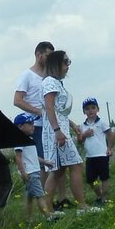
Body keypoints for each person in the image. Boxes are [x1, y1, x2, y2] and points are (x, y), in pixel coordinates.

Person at [40, 51, 89, 214]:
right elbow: (49, 108)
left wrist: (72, 125)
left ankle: (48, 211)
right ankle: (82, 206)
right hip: (57, 132)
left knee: (58, 170)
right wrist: (57, 131)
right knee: (76, 165)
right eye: (66, 62)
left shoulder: (56, 83)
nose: (68, 66)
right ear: (56, 64)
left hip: (59, 129)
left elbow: (59, 111)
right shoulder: (50, 82)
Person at [13, 113, 51, 220]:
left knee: (30, 197)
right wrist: (23, 172)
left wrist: (45, 162)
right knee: (40, 195)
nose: (33, 126)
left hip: (34, 171)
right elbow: (18, 157)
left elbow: (34, 157)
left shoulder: (29, 139)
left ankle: (29, 218)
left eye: (33, 123)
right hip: (30, 172)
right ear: (20, 126)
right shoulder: (19, 140)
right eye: (29, 123)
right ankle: (48, 216)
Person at [78, 97, 114, 205]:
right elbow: (80, 141)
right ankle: (99, 195)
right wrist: (84, 134)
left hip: (102, 154)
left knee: (104, 178)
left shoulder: (101, 122)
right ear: (84, 111)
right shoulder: (82, 126)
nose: (91, 111)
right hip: (90, 156)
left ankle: (105, 198)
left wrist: (109, 148)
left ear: (97, 109)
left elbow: (110, 135)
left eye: (93, 108)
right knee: (91, 180)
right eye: (87, 109)